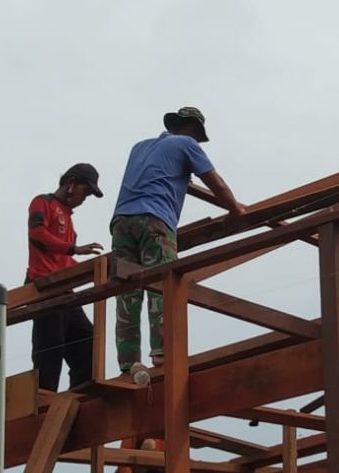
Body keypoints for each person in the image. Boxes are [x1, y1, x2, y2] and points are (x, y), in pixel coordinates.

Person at [112, 107, 244, 378]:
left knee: (127, 289)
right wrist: (236, 210)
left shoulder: (140, 147)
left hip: (121, 222)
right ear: (193, 130)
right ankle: (162, 352)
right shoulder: (186, 144)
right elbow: (215, 183)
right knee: (164, 282)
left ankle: (128, 362)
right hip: (155, 219)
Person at [26, 163, 105, 391]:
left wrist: (93, 268)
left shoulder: (69, 220)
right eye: (84, 192)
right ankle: (42, 401)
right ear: (71, 183)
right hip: (45, 287)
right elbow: (37, 234)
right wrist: (73, 249)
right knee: (49, 350)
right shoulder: (43, 202)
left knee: (87, 340)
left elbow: (63, 261)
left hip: (64, 289)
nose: (84, 199)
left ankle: (80, 395)